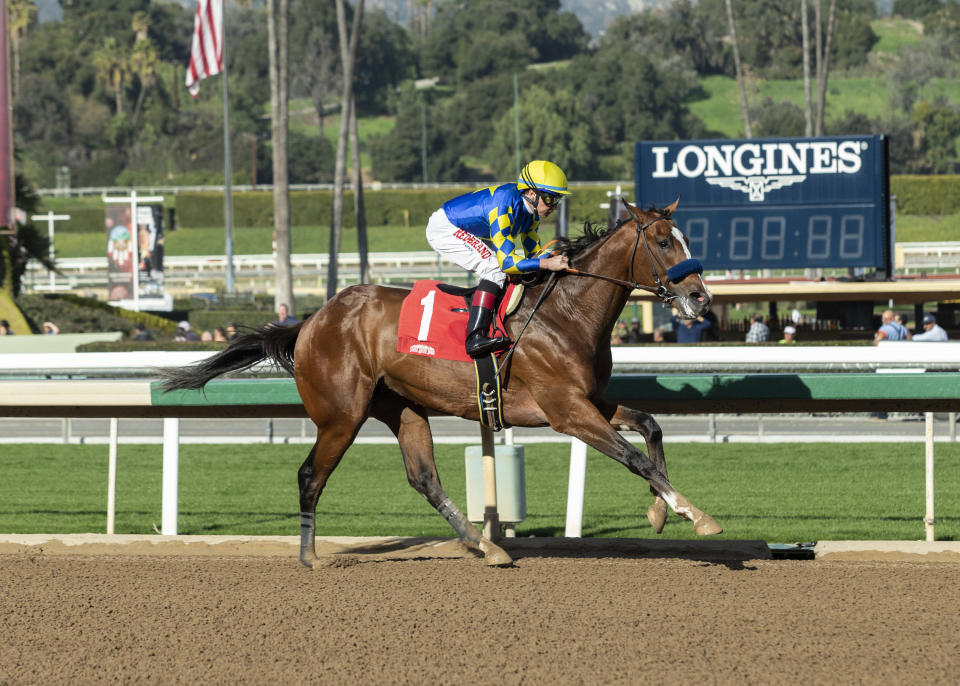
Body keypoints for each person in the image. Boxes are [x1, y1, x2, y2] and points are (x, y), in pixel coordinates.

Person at [425, 160, 571, 357]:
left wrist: (554, 257)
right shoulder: (504, 206)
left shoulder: (531, 213)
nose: (553, 206)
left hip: (468, 230)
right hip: (445, 228)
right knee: (495, 268)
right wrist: (546, 263)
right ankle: (475, 337)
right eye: (550, 199)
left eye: (557, 200)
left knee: (507, 268)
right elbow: (507, 263)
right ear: (531, 194)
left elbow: (533, 253)